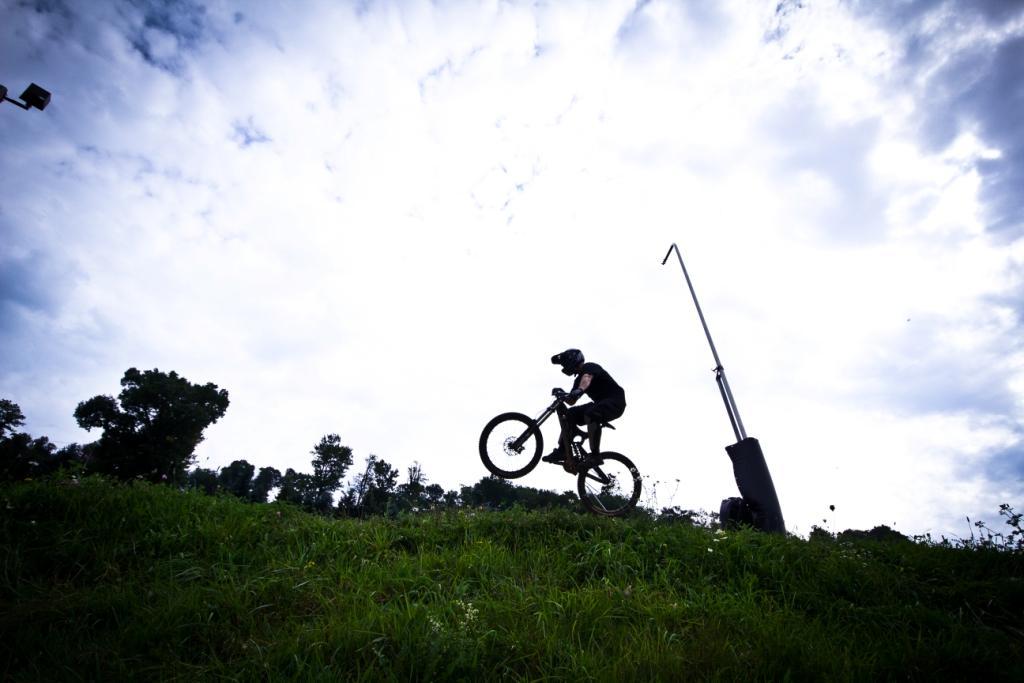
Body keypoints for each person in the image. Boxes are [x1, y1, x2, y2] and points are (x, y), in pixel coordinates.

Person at [542, 348, 626, 473]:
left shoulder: (590, 367)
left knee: (592, 413)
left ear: (573, 361)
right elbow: (572, 400)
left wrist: (579, 390)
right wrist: (562, 394)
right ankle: (563, 450)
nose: (564, 366)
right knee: (570, 414)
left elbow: (586, 379)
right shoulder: (578, 380)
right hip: (599, 403)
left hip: (615, 402)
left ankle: (595, 456)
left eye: (565, 363)